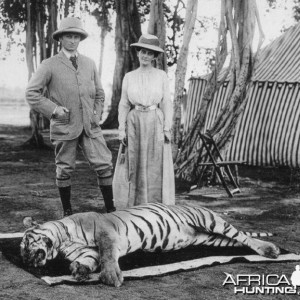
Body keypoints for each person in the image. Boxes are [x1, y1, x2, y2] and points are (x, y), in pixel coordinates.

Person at [26, 17, 116, 216]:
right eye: (69, 36)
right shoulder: (49, 65)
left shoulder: (89, 64)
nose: (73, 40)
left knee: (104, 164)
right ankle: (67, 212)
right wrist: (54, 110)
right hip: (65, 125)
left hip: (90, 126)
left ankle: (111, 209)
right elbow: (32, 93)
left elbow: (100, 94)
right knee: (65, 168)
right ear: (60, 38)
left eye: (76, 36)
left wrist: (97, 113)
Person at [117, 33, 175, 207]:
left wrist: (167, 127)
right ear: (137, 53)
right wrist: (121, 129)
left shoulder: (161, 75)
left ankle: (155, 204)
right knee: (134, 161)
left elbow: (166, 102)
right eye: (143, 51)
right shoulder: (129, 76)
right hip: (134, 121)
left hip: (154, 119)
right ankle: (134, 204)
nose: (145, 56)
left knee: (155, 162)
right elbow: (123, 103)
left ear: (155, 57)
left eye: (150, 53)